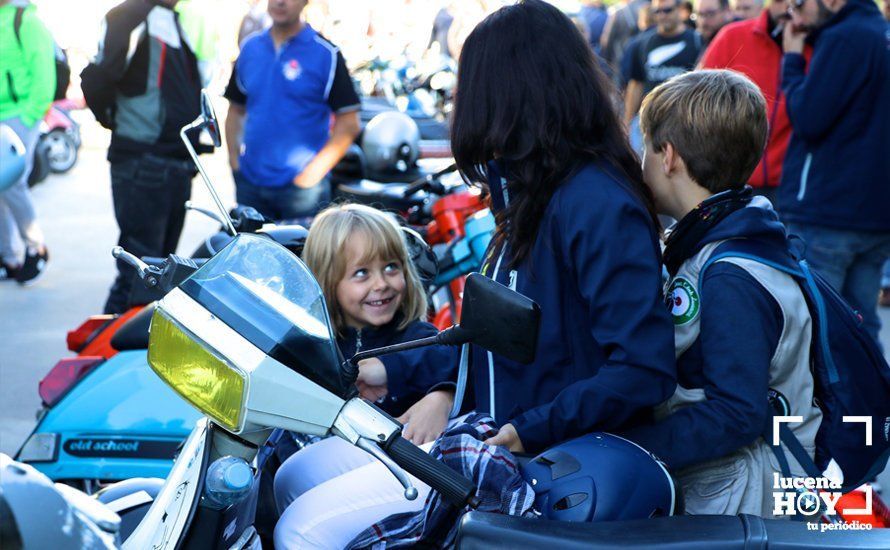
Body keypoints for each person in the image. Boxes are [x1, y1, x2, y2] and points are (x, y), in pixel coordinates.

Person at [274, 1, 676, 546]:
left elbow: (642, 368)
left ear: (508, 91)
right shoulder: (529, 194)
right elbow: (495, 340)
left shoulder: (597, 204)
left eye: (472, 84)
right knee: (295, 473)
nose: (462, 103)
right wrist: (429, 384)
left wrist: (523, 430)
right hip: (488, 437)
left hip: (545, 466)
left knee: (305, 529)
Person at [625, 69, 821, 516]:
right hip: (728, 486)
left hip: (743, 499)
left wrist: (627, 445)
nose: (641, 162)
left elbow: (736, 413)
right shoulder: (713, 239)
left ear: (668, 156)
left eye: (645, 147)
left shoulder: (731, 275)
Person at [273, 203, 458, 547]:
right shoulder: (314, 342)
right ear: (329, 281)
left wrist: (392, 369)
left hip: (395, 479)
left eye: (391, 267)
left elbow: (448, 359)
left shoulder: (413, 335)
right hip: (327, 470)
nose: (382, 284)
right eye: (362, 273)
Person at [81, 0, 204, 314]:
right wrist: (120, 123)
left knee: (159, 276)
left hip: (175, 161)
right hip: (143, 161)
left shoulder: (173, 20)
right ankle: (102, 356)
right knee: (138, 276)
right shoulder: (128, 16)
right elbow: (96, 79)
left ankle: (128, 353)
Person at [778, 0, 890, 343]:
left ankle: (833, 399)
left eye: (799, 2)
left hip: (829, 212)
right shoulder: (880, 33)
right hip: (874, 214)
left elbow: (809, 116)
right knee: (862, 325)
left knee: (818, 326)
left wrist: (793, 59)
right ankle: (871, 396)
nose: (794, 13)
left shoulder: (845, 37)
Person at [224, 0, 360, 222]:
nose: (280, 2)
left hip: (302, 191)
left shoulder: (326, 53)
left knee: (301, 257)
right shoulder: (250, 49)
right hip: (250, 182)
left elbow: (349, 123)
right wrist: (234, 161)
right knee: (249, 255)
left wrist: (312, 175)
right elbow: (236, 109)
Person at [700, 0, 808, 203]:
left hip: (796, 184)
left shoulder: (820, 43)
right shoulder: (732, 37)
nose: (788, 6)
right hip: (733, 182)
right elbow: (699, 103)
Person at [0, 0, 52, 284]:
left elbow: (44, 74)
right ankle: (6, 257)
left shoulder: (27, 21)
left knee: (12, 184)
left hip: (20, 116)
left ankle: (36, 248)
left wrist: (30, 115)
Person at [624, 0, 702, 152]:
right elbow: (636, 84)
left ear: (680, 10)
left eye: (667, 10)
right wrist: (627, 122)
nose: (662, 15)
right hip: (649, 123)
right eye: (657, 11)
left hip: (684, 125)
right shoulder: (643, 43)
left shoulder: (696, 41)